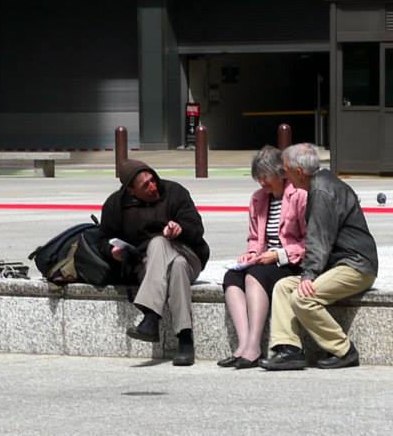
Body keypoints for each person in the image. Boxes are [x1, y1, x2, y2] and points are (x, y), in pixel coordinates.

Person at [259, 143, 378, 371]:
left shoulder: (322, 191)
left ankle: (344, 350)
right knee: (283, 287)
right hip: (336, 265)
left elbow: (318, 239)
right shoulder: (320, 184)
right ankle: (289, 350)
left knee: (302, 297)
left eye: (286, 170)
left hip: (356, 266)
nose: (284, 176)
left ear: (299, 172)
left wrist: (309, 275)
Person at [98, 159, 210, 366]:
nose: (153, 186)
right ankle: (185, 340)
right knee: (176, 267)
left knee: (160, 243)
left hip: (188, 253)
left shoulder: (175, 192)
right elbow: (103, 239)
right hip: (146, 264)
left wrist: (180, 229)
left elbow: (197, 228)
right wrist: (112, 251)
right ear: (131, 191)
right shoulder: (116, 205)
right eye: (145, 185)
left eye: (153, 180)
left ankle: (151, 317)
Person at [218, 146, 307, 370]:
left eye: (266, 176)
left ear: (280, 174)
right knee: (232, 277)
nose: (262, 182)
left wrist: (278, 254)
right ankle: (244, 344)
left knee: (255, 275)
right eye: (259, 177)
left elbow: (309, 242)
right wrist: (251, 253)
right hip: (264, 259)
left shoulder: (299, 196)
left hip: (291, 261)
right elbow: (254, 237)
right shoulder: (258, 199)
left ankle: (254, 346)